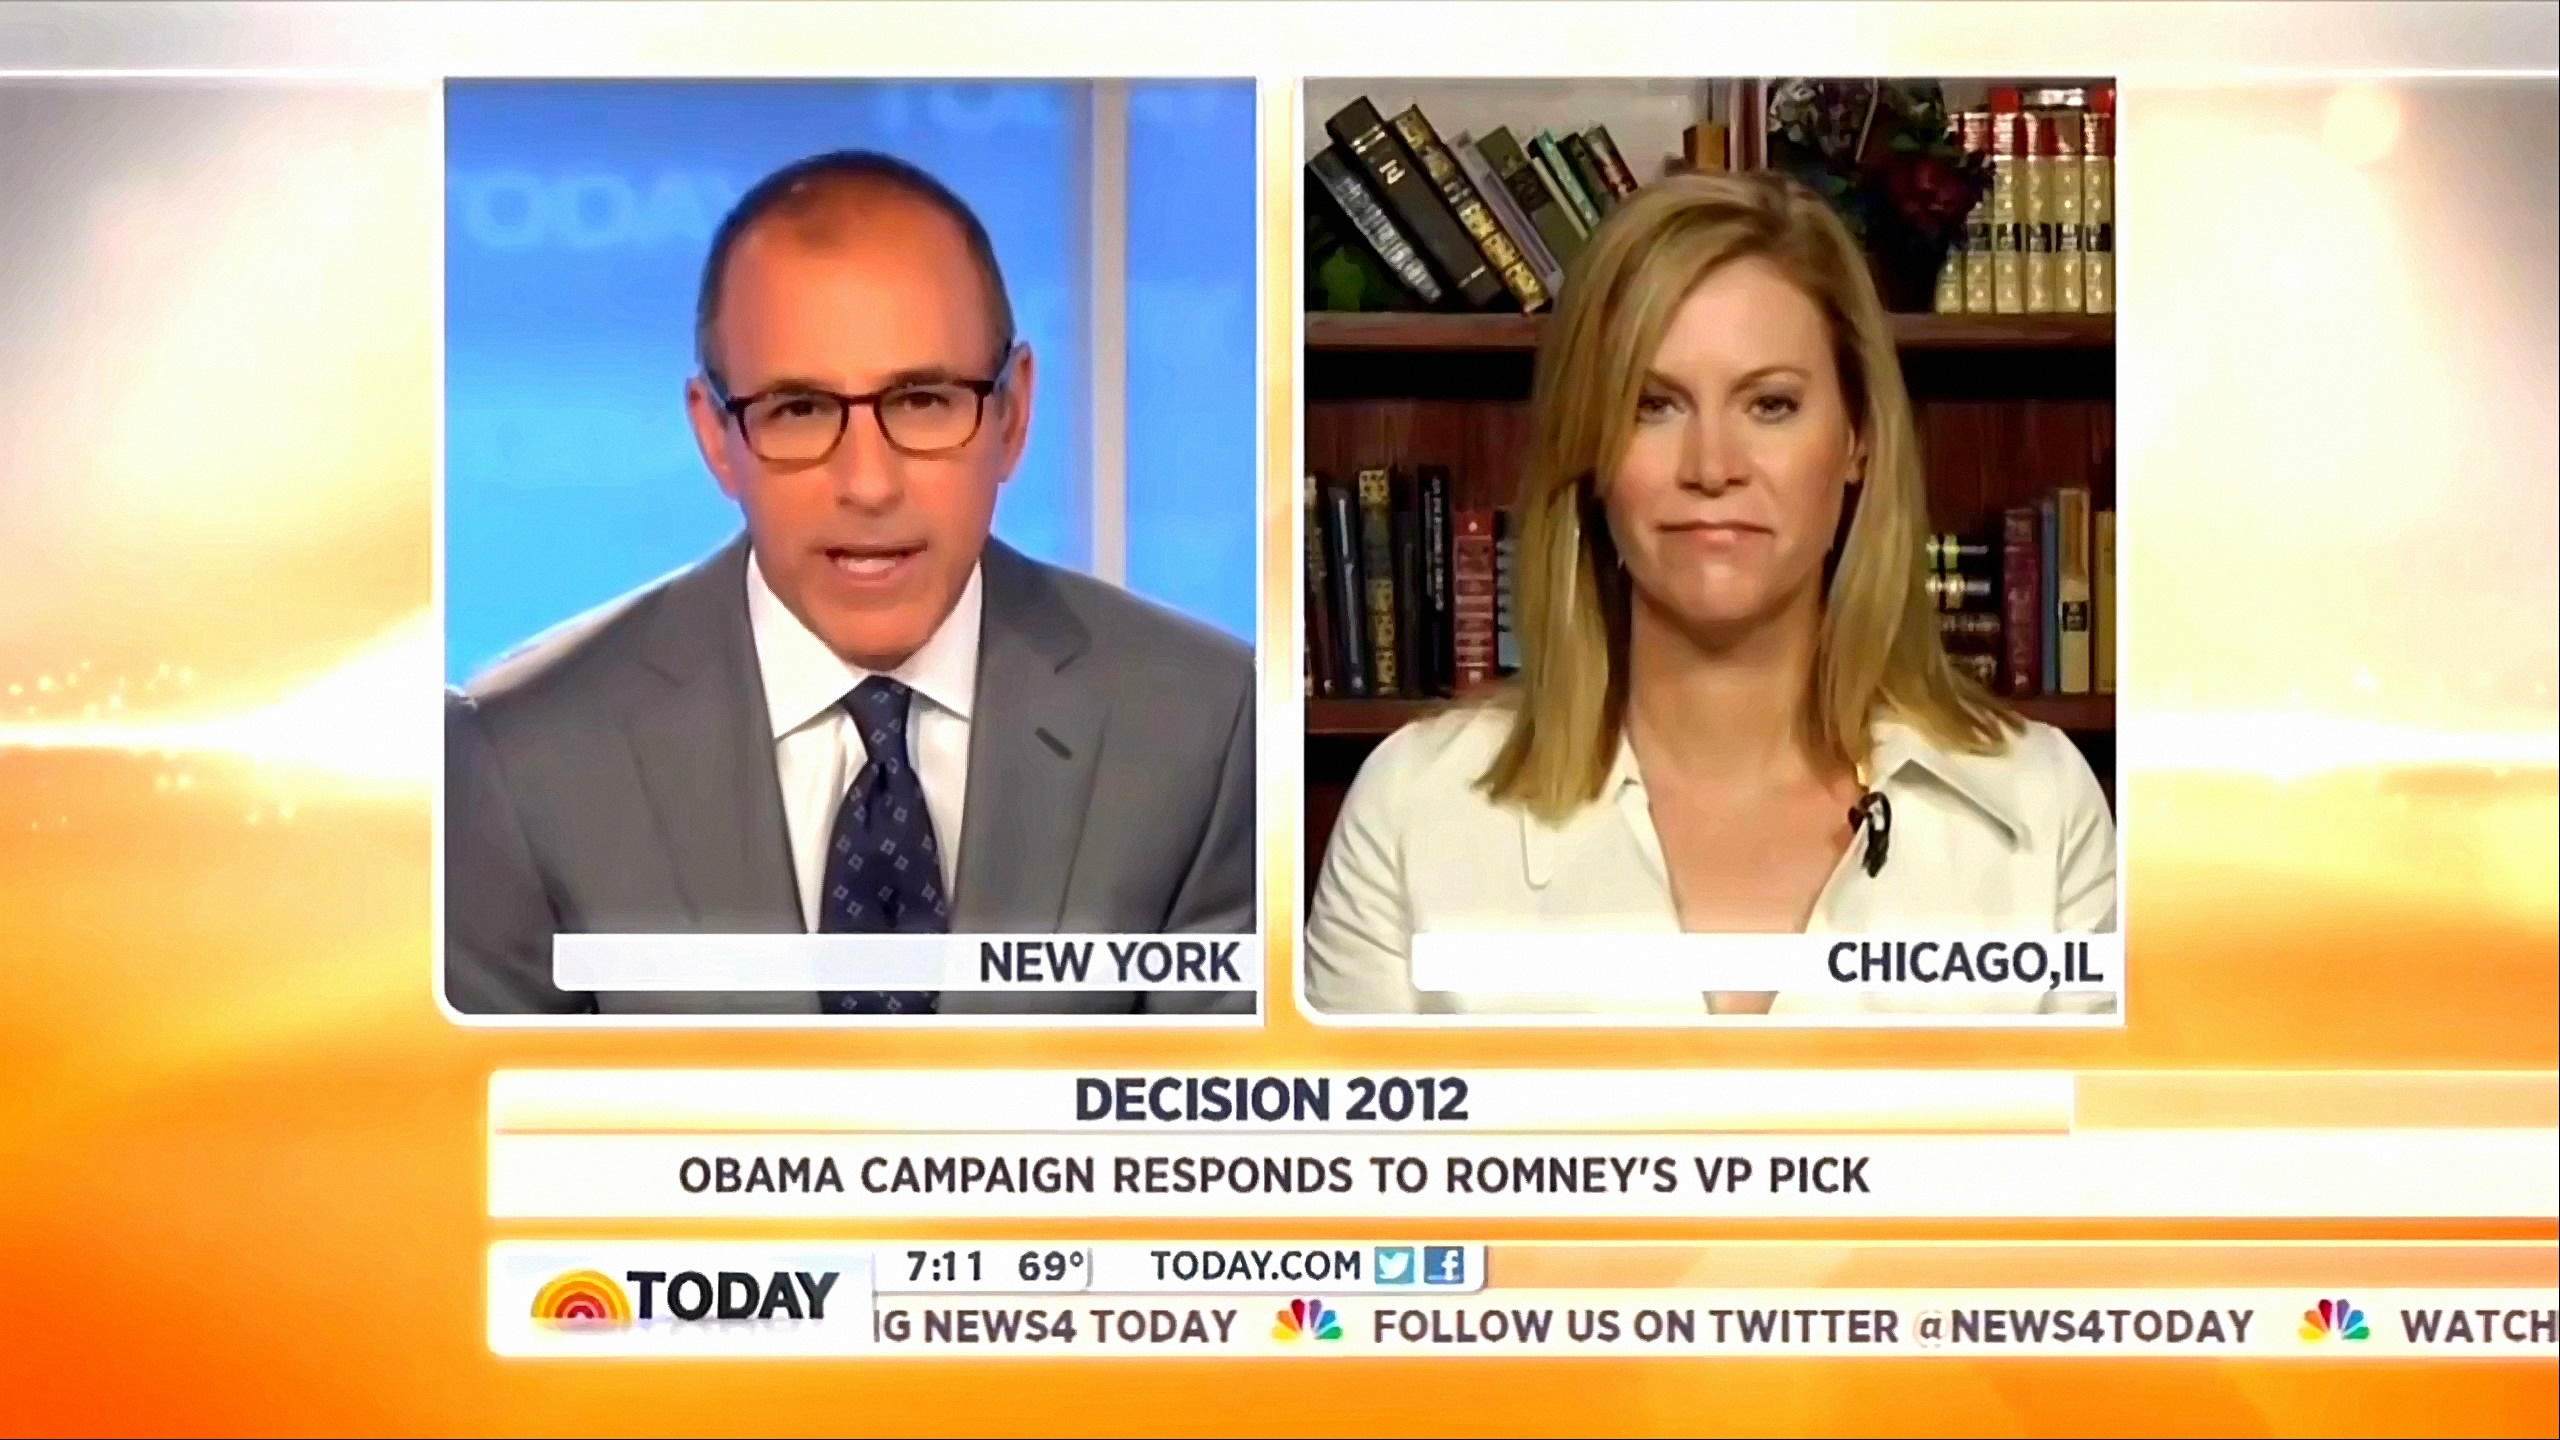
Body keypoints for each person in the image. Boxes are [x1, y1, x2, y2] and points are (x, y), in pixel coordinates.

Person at [445, 150, 1255, 1017]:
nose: (868, 486)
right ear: (716, 437)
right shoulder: (515, 754)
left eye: (923, 401)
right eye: (798, 410)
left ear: (1013, 414)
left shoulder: (1207, 726)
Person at [1304, 171, 2114, 1017]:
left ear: (1858, 440)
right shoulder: (1414, 813)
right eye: (1654, 405)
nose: (1712, 467)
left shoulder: (2043, 811)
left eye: (1771, 405)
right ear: (1591, 450)